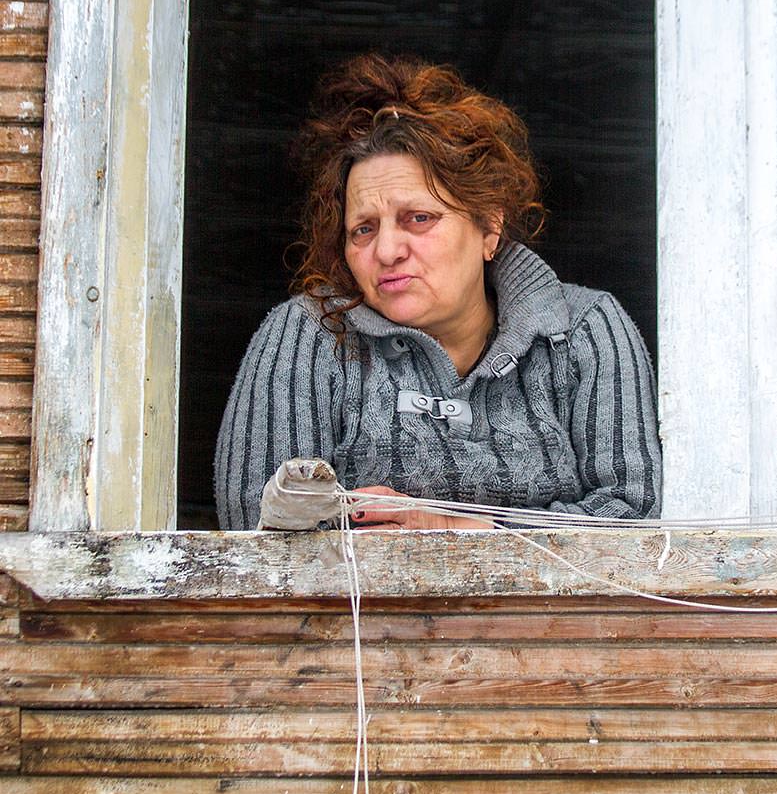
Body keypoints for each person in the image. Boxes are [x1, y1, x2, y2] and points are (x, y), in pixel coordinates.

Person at [214, 53, 661, 530]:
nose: (387, 250)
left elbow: (633, 515)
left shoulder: (584, 329)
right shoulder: (308, 333)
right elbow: (257, 532)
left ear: (488, 226)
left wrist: (454, 533)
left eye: (418, 219)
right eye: (363, 230)